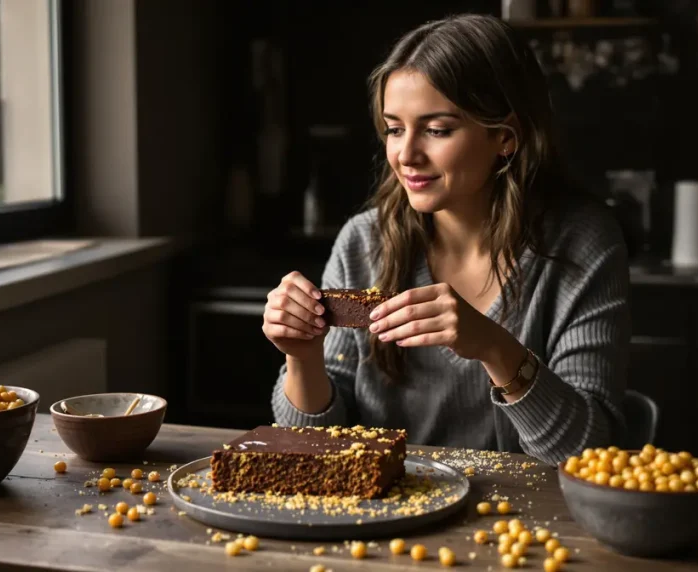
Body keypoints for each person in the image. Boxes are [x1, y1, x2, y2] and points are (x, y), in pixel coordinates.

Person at [262, 13, 630, 464]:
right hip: (382, 523)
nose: (406, 155)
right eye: (394, 129)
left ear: (504, 137)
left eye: (437, 130)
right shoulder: (363, 243)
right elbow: (313, 448)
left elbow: (592, 452)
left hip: (523, 526)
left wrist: (495, 348)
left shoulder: (581, 245)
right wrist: (303, 358)